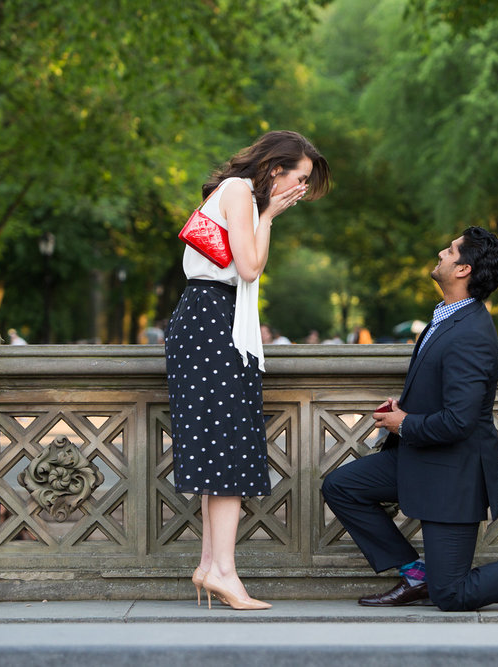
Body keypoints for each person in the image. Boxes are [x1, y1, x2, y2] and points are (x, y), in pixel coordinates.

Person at [321, 227, 498, 611]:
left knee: (452, 594)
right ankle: (416, 576)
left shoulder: (471, 332)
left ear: (464, 269)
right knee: (342, 486)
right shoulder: (446, 317)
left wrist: (404, 423)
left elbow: (460, 421)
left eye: (450, 251)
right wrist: (406, 408)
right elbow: (444, 390)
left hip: (452, 474)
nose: (441, 252)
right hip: (418, 460)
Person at [165, 131, 330, 610]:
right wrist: (271, 215)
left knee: (224, 444)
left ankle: (210, 565)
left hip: (212, 320)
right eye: (299, 178)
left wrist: (267, 214)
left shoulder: (239, 195)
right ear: (276, 168)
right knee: (229, 447)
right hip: (211, 322)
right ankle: (223, 572)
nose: (300, 189)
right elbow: (252, 266)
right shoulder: (239, 191)